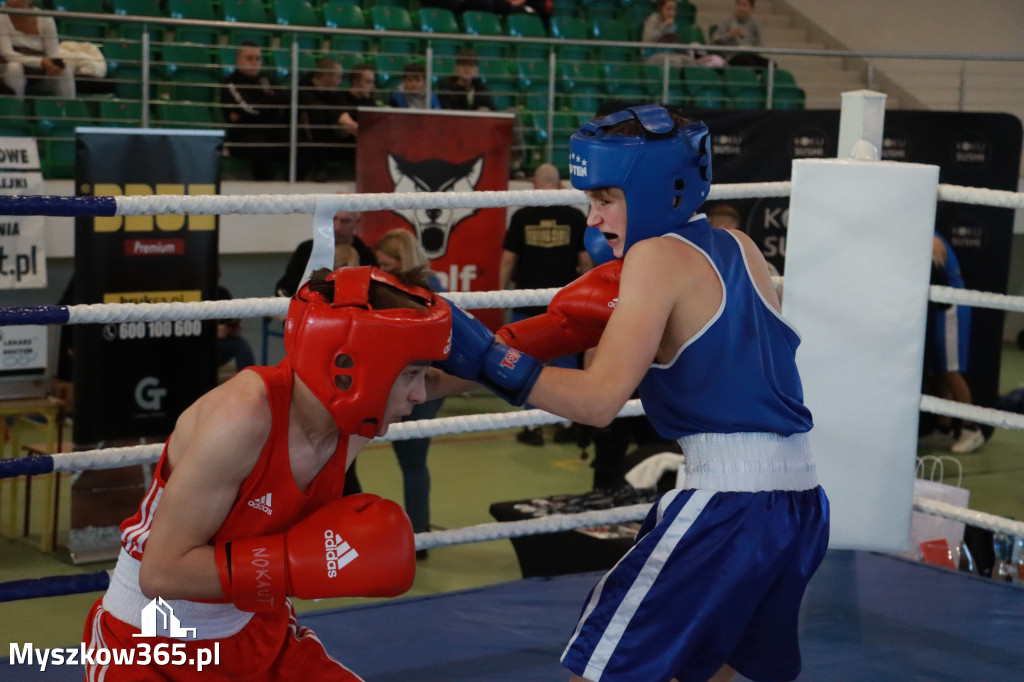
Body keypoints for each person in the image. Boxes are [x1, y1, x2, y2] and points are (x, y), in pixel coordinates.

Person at [433, 104, 830, 682]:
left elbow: (598, 401)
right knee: (709, 669)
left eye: (605, 198)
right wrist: (443, 375)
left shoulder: (653, 260)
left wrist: (494, 361)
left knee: (600, 670)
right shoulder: (739, 246)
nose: (592, 220)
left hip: (728, 501)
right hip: (798, 499)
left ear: (654, 189)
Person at [82, 265, 452, 680]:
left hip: (258, 632)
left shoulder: (355, 417)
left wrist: (515, 355)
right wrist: (294, 566)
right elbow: (161, 573)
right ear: (355, 368)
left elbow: (456, 376)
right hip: (151, 647)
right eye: (412, 375)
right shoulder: (241, 418)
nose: (420, 395)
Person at [499, 162, 592, 446]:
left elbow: (508, 259)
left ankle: (532, 427)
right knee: (566, 367)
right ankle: (567, 423)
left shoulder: (523, 215)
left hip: (527, 301)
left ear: (533, 186)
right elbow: (586, 262)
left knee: (525, 365)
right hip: (564, 302)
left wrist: (499, 295)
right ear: (560, 185)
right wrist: (588, 300)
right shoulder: (575, 215)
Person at [375, 229, 446, 558]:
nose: (382, 270)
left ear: (404, 261)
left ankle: (419, 538)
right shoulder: (384, 288)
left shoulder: (431, 289)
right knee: (409, 460)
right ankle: (418, 535)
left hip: (425, 380)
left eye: (388, 264)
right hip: (394, 380)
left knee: (413, 459)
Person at [921, 233, 985, 454]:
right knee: (938, 369)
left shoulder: (933, 239)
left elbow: (936, 272)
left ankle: (971, 429)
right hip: (938, 307)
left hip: (951, 308)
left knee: (950, 370)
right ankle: (944, 427)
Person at [275, 202, 378, 298]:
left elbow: (375, 293)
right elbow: (284, 288)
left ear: (357, 222)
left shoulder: (366, 255)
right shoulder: (306, 249)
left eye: (345, 221)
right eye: (333, 219)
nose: (337, 227)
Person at [221, 42, 287, 181]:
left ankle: (296, 190)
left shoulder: (266, 78)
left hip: (270, 129)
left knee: (299, 143)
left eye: (258, 58)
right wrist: (271, 101)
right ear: (239, 60)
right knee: (261, 148)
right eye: (249, 58)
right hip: (243, 132)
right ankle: (265, 193)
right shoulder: (231, 82)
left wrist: (257, 107)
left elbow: (284, 98)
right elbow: (248, 109)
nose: (254, 62)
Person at [0, 0, 75, 100]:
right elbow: (7, 53)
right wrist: (41, 62)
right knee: (14, 67)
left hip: (39, 74)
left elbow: (54, 53)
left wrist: (54, 66)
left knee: (66, 71)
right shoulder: (1, 17)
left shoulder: (45, 17)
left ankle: (69, 111)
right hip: (9, 71)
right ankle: (15, 110)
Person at [298, 57, 351, 181]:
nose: (340, 82)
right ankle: (319, 168)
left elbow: (342, 105)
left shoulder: (332, 91)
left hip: (329, 135)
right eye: (338, 77)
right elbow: (317, 108)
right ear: (327, 76)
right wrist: (339, 117)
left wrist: (345, 116)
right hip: (305, 136)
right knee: (318, 114)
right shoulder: (304, 89)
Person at [642, 0, 726, 69]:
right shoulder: (653, 19)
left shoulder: (672, 24)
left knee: (689, 60)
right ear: (661, 9)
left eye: (674, 9)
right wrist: (665, 26)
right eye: (668, 9)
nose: (671, 13)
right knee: (676, 61)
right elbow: (649, 38)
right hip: (652, 54)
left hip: (668, 53)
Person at [709, 0, 770, 68]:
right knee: (746, 61)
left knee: (771, 64)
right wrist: (730, 35)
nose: (741, 8)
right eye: (739, 4)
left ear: (752, 8)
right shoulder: (726, 22)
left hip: (750, 55)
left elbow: (760, 44)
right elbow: (714, 40)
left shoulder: (755, 25)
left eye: (744, 5)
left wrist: (751, 48)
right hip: (731, 57)